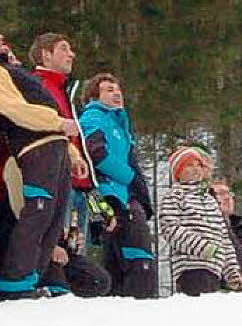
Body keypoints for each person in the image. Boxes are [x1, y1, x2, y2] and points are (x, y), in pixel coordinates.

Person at [26, 32, 111, 298]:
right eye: (64, 49)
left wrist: (101, 205)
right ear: (45, 55)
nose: (71, 54)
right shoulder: (36, 87)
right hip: (53, 185)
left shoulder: (65, 91)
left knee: (76, 258)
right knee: (58, 258)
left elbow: (78, 148)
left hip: (78, 192)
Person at [0, 34, 81, 299]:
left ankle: (32, 278)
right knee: (37, 212)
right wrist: (56, 121)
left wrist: (73, 154)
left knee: (53, 218)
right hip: (34, 148)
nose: (4, 41)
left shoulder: (15, 73)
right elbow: (13, 109)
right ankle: (16, 283)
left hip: (54, 145)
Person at [79, 72, 155, 299]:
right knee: (135, 254)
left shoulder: (119, 123)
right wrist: (130, 177)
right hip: (111, 194)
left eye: (118, 89)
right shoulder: (93, 118)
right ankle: (137, 302)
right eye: (109, 90)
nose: (117, 93)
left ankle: (120, 302)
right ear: (94, 97)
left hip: (124, 194)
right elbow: (97, 155)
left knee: (120, 257)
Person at [160, 146, 242, 296]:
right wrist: (203, 248)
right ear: (178, 171)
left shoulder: (210, 201)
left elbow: (224, 238)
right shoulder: (174, 196)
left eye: (199, 165)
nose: (195, 169)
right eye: (190, 165)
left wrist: (232, 271)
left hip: (215, 269)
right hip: (191, 268)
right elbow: (170, 229)